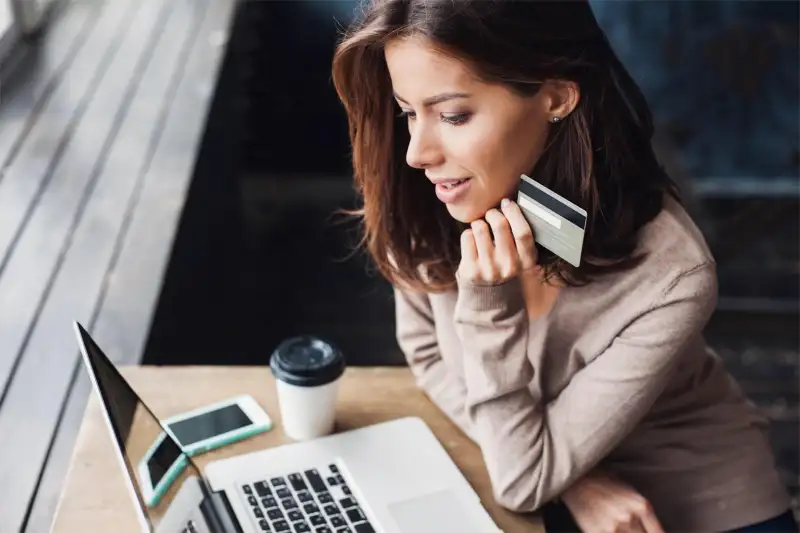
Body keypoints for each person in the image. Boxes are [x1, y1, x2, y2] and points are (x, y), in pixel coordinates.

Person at [330, 1, 797, 531]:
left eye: (454, 115)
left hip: (695, 502)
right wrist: (574, 480)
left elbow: (522, 481)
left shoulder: (672, 275)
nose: (417, 151)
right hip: (542, 481)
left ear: (554, 97)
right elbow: (429, 355)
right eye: (408, 111)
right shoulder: (430, 196)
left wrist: (488, 310)